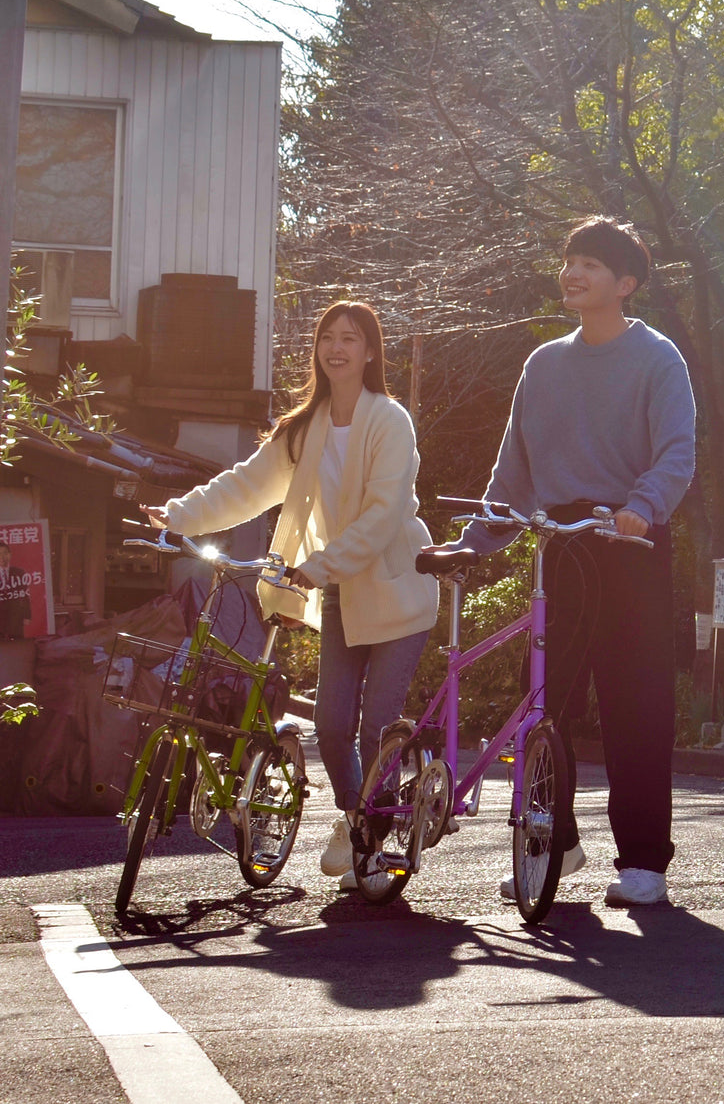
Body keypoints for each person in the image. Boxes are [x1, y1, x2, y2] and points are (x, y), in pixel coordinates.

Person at [423, 216, 695, 907]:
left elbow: (676, 453)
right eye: (569, 260)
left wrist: (643, 505)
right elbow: (511, 474)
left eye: (591, 265)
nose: (572, 273)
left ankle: (643, 861)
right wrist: (475, 543)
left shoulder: (657, 358)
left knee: (635, 706)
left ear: (625, 283)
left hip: (628, 543)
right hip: (561, 544)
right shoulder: (543, 364)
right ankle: (552, 843)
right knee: (541, 698)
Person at [146, 300, 439, 891]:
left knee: (377, 728)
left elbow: (384, 516)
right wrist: (179, 516)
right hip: (339, 590)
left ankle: (372, 838)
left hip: (396, 590)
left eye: (350, 338)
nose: (337, 347)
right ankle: (361, 824)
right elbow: (247, 485)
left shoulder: (390, 421)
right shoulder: (304, 427)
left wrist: (319, 565)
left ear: (370, 351)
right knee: (330, 727)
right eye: (328, 337)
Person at [0, 543, 31, 640]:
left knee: (17, 645)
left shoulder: (19, 572)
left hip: (15, 616)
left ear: (10, 554)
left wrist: (27, 616)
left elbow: (25, 595)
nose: (2, 557)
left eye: (5, 553)